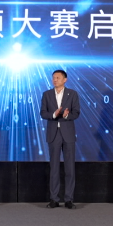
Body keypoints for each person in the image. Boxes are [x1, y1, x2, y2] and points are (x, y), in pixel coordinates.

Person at [40, 69, 81, 209]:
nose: (55, 80)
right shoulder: (47, 94)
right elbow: (43, 113)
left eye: (58, 77)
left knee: (70, 168)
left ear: (65, 80)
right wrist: (54, 114)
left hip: (68, 134)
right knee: (54, 168)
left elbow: (76, 113)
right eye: (53, 78)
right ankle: (54, 199)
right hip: (53, 134)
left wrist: (66, 116)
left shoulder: (72, 94)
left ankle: (69, 199)